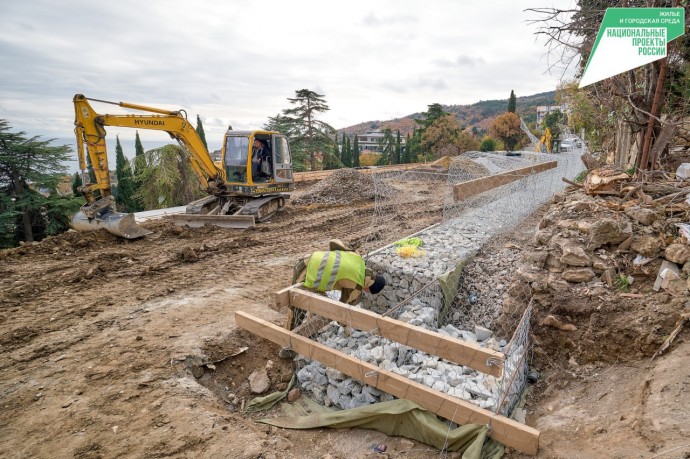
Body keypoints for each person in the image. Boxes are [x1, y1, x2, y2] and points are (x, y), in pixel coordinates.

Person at [302, 249, 386, 305]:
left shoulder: (359, 260)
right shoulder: (357, 286)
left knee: (316, 301)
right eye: (368, 292)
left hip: (311, 257)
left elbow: (335, 243)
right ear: (369, 288)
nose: (365, 292)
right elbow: (342, 308)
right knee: (298, 305)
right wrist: (345, 326)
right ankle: (289, 331)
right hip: (308, 272)